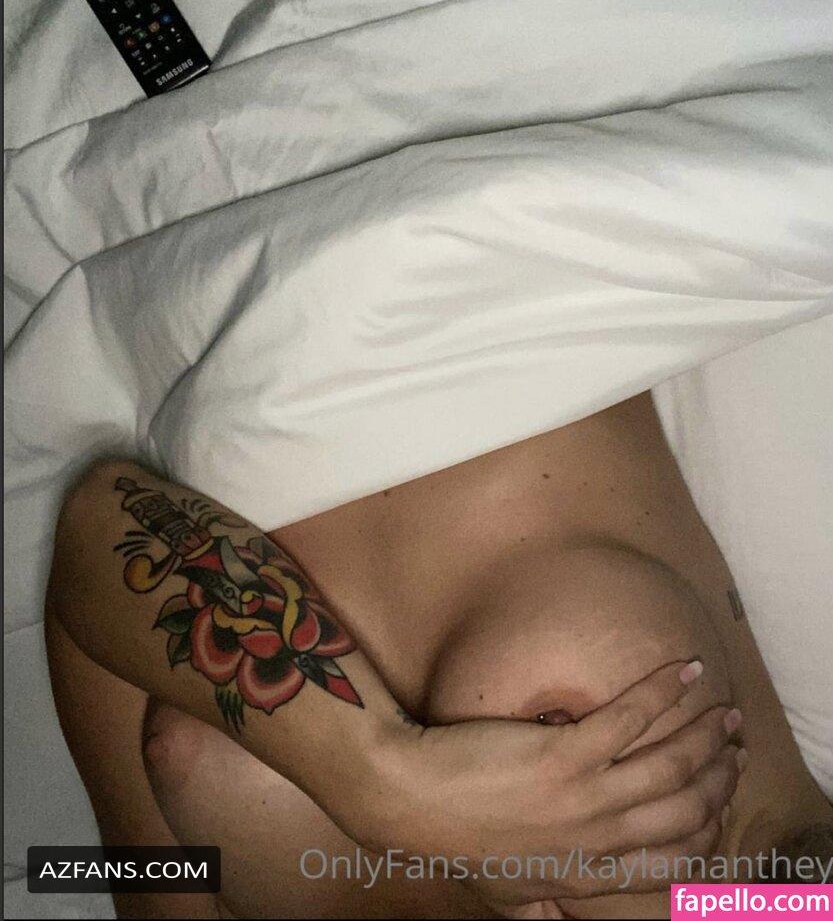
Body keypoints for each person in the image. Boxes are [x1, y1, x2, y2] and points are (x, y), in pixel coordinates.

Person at [45, 392, 831, 919]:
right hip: (488, 258)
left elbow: (95, 529)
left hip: (223, 306)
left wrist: (383, 784)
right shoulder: (738, 896)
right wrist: (389, 788)